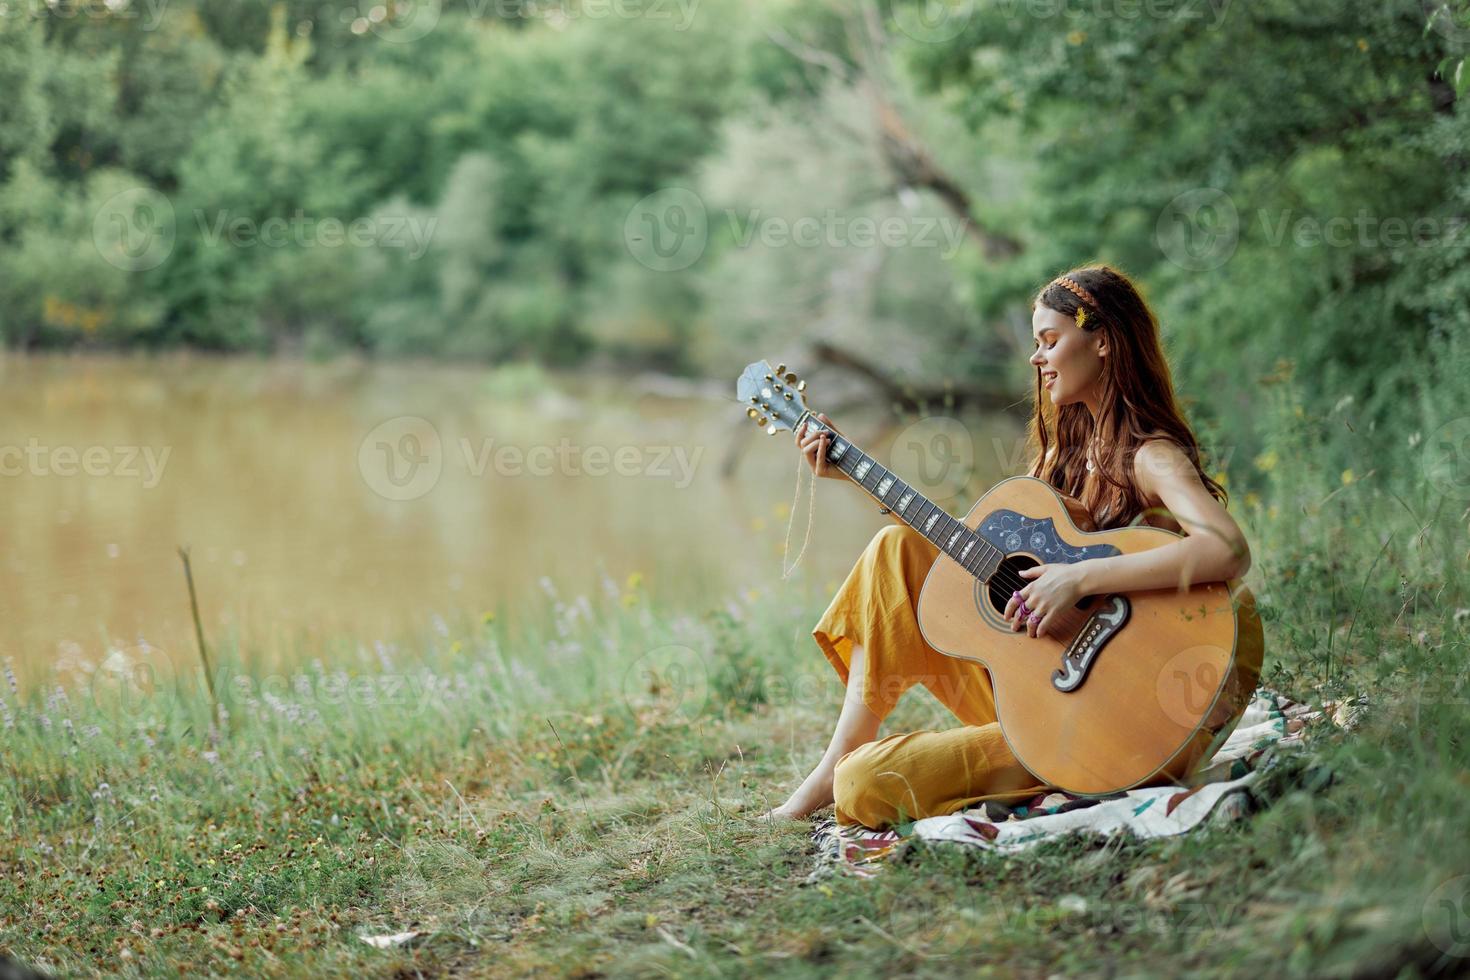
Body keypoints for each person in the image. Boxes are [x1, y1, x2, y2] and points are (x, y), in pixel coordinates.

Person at [762, 265, 1253, 828]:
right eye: (1034, 344)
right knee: (896, 548)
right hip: (1043, 683)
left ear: (1103, 343)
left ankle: (842, 772)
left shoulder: (1148, 455)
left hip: (1121, 721)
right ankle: (834, 760)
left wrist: (1079, 579)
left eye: (1049, 341)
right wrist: (851, 472)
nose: (1035, 358)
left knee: (864, 784)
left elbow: (1226, 550)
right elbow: (972, 552)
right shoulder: (1064, 457)